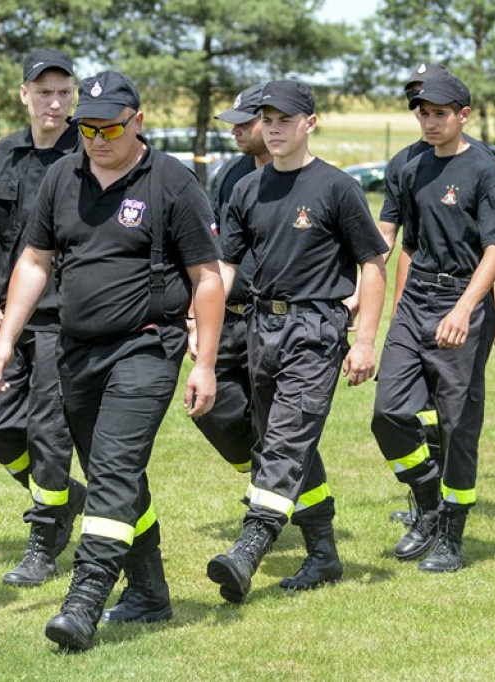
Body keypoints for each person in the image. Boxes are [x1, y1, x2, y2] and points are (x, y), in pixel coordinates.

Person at [0, 71, 224, 651]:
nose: (97, 138)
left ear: (138, 120)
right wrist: (6, 338)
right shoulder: (63, 176)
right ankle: (149, 592)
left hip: (146, 344)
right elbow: (35, 261)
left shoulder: (172, 182)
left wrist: (205, 361)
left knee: (114, 468)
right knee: (113, 475)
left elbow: (207, 278)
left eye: (110, 127)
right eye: (86, 127)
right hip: (75, 349)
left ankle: (86, 597)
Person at [210, 79, 388, 602]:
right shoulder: (246, 188)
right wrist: (202, 323)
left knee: (285, 440)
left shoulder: (337, 187)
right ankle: (324, 554)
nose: (273, 128)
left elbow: (373, 267)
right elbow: (225, 268)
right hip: (260, 329)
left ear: (310, 122)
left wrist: (366, 340)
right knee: (283, 441)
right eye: (267, 119)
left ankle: (249, 545)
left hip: (316, 328)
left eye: (284, 119)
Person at [371, 74, 495, 573]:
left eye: (439, 112)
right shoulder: (405, 163)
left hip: (463, 301)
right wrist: (358, 289)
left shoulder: (484, 168)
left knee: (457, 426)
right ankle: (428, 502)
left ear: (463, 115)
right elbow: (389, 237)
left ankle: (451, 535)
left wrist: (464, 308)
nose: (429, 121)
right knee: (388, 412)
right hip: (416, 301)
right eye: (422, 112)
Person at [0, 49, 85, 588]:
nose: (54, 103)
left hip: (66, 319)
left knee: (48, 433)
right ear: (24, 95)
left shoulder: (88, 154)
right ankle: (65, 499)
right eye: (43, 92)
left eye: (63, 93)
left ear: (75, 97)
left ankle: (43, 540)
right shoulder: (3, 155)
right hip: (7, 317)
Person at [191, 83, 271, 490]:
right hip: (229, 315)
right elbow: (215, 249)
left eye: (245, 123)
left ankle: (278, 493)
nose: (236, 131)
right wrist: (197, 317)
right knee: (212, 409)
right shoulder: (229, 175)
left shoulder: (314, 177)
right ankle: (262, 475)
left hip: (275, 318)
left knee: (276, 420)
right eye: (233, 124)